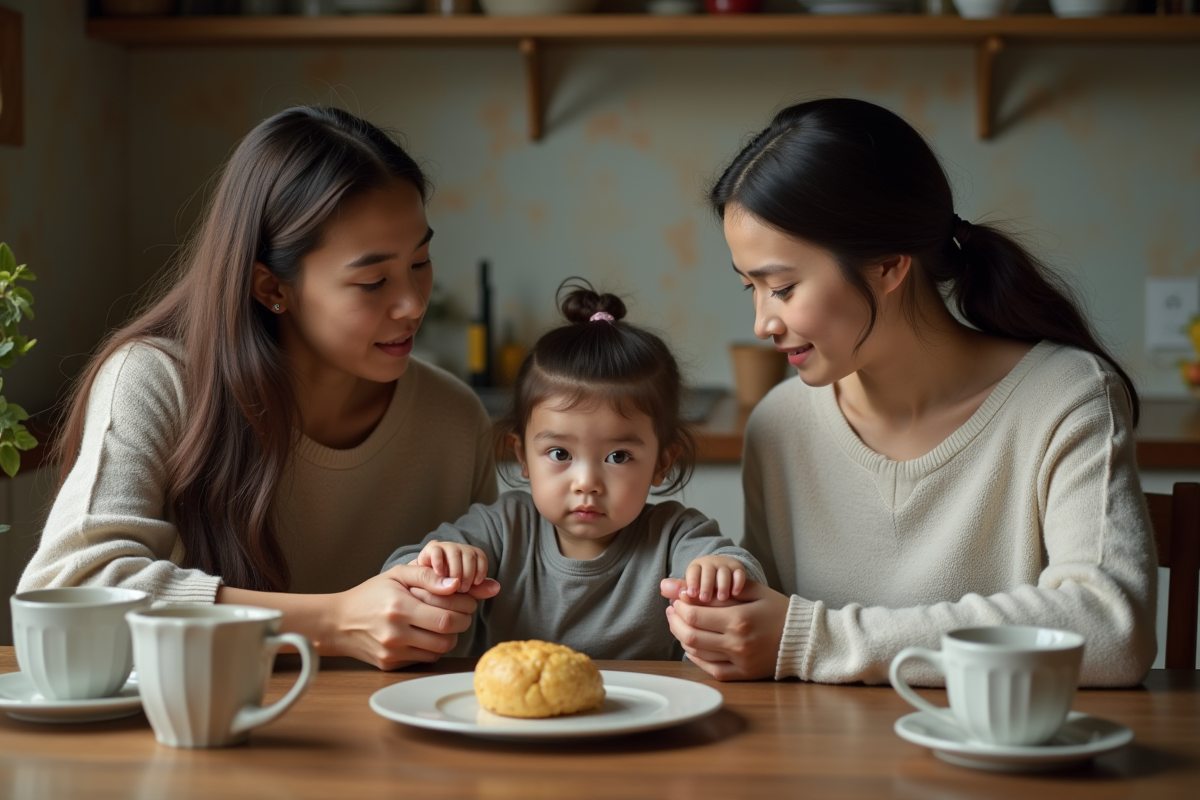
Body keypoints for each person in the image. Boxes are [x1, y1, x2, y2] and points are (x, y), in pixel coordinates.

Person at [660, 98, 1157, 686]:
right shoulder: (779, 423)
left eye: (784, 287)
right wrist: (723, 621)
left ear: (889, 266)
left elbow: (1111, 628)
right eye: (752, 287)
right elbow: (767, 634)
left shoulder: (1067, 398)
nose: (762, 323)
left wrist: (813, 639)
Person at [19, 106, 500, 669]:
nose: (413, 304)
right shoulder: (155, 381)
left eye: (420, 262)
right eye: (373, 281)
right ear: (271, 287)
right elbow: (71, 589)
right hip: (207, 721)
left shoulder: (454, 418)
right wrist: (334, 622)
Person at [382, 282, 765, 660]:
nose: (586, 483)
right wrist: (440, 563)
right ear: (523, 456)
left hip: (647, 702)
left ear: (662, 463)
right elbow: (399, 575)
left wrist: (723, 571)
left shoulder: (675, 536)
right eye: (560, 453)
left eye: (618, 457)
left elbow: (744, 575)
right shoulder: (502, 528)